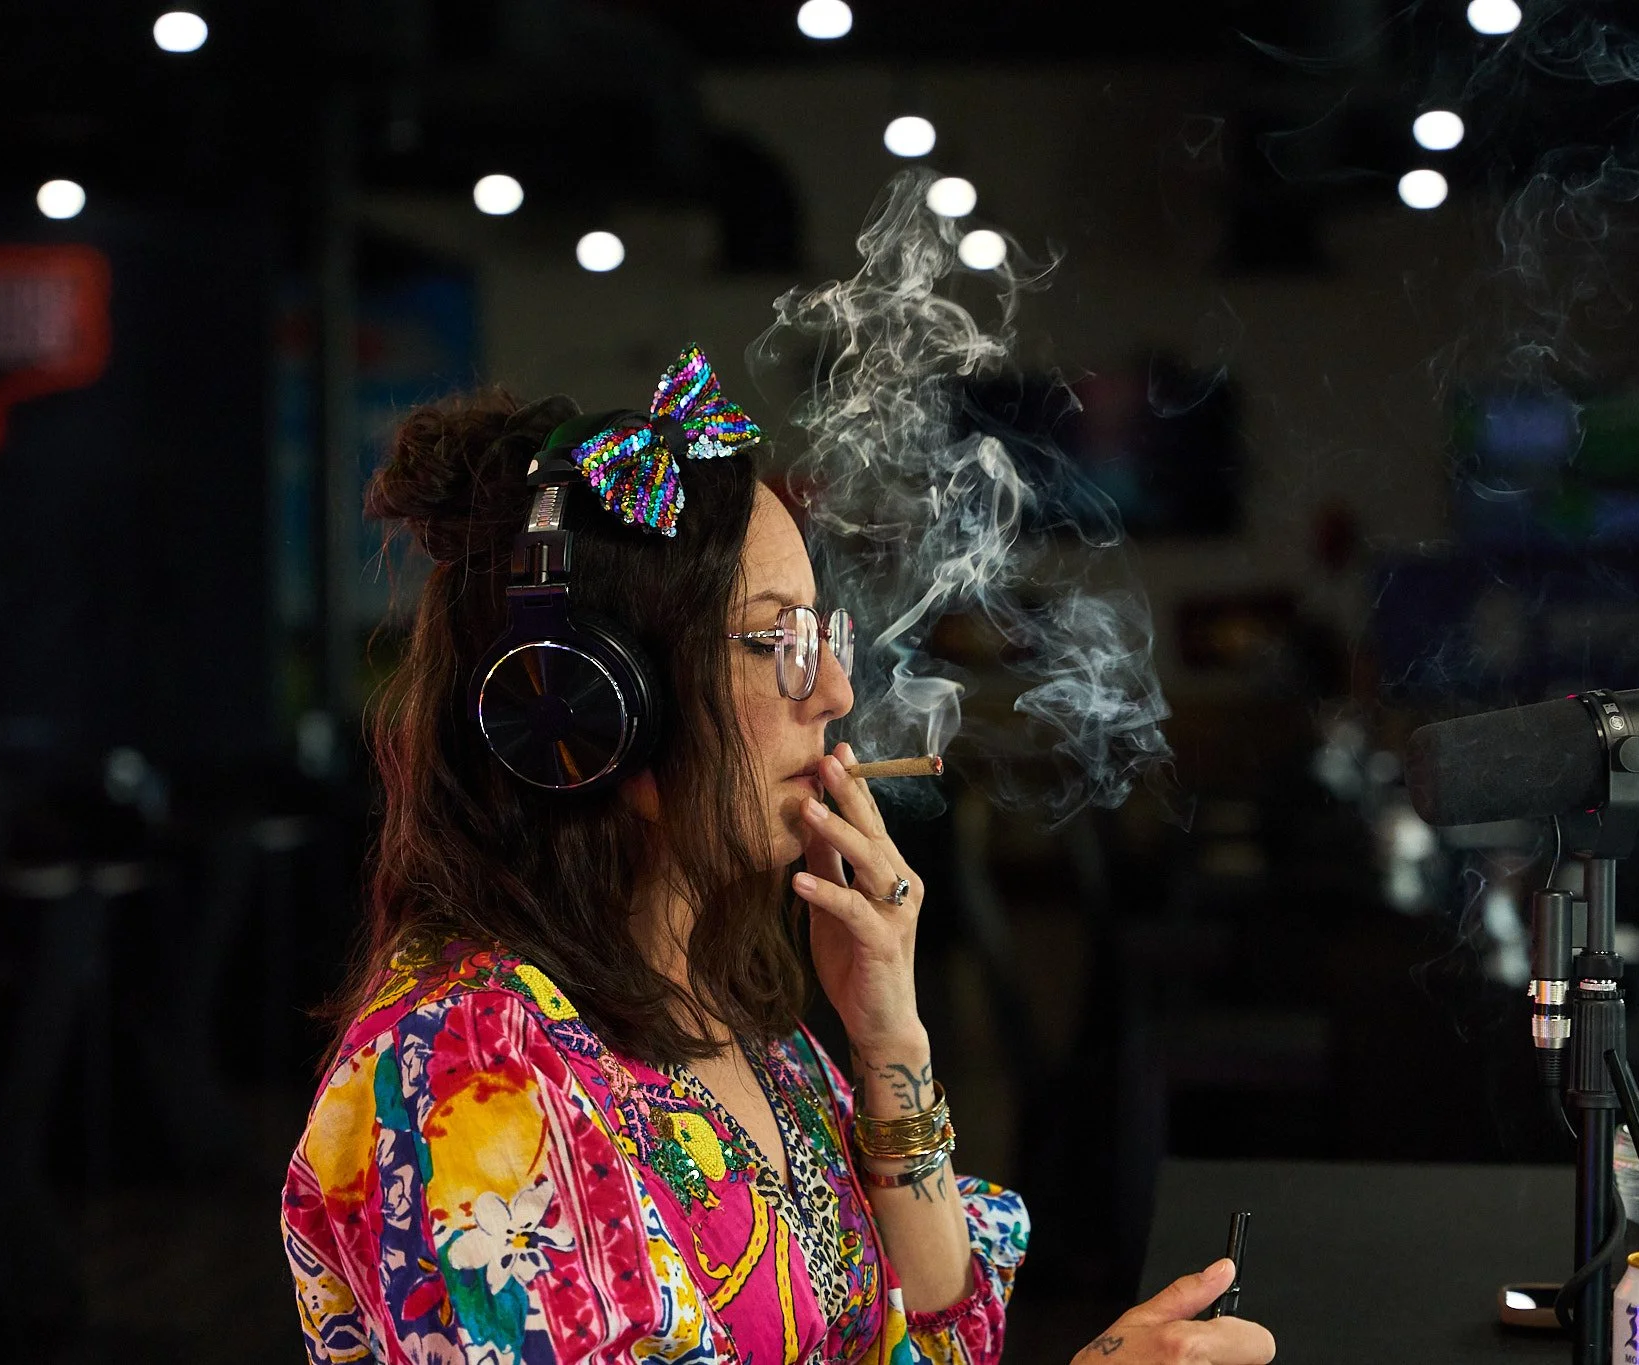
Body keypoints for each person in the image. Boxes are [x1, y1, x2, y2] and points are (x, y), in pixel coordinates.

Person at [280, 347, 1276, 1365]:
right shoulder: (471, 1069)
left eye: (821, 636)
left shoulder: (734, 1011)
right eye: (773, 643)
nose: (837, 693)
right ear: (588, 708)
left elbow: (940, 1345)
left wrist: (889, 1037)